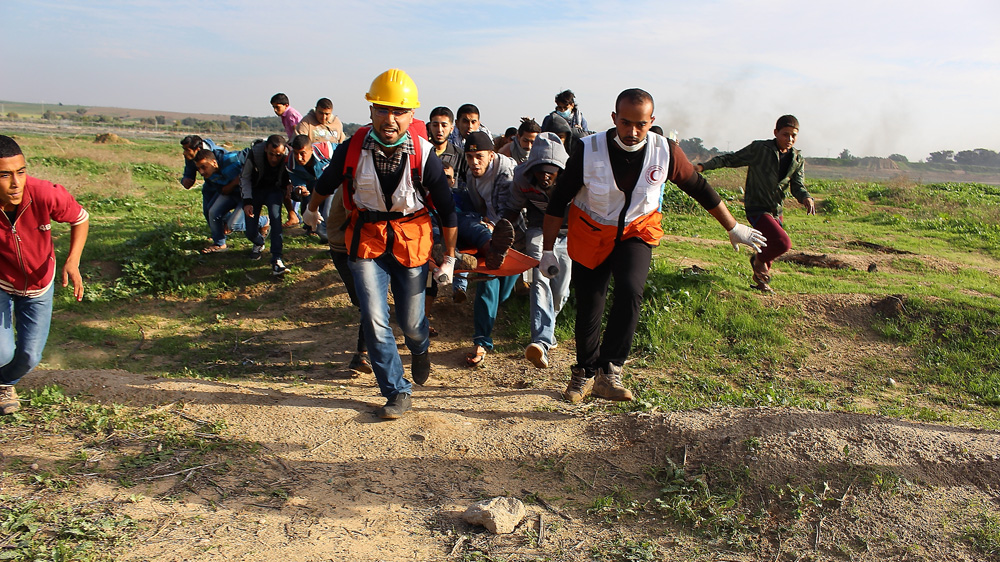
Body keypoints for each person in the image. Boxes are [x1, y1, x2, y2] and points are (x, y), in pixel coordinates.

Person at [541, 89, 766, 403]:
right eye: (625, 123)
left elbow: (698, 187)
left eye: (641, 124)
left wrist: (733, 226)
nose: (633, 132)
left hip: (636, 230)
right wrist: (548, 250)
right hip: (592, 232)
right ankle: (584, 372)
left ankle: (611, 371)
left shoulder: (666, 151)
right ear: (613, 118)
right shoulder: (588, 149)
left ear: (652, 121)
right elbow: (558, 199)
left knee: (631, 290)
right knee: (591, 303)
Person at [303, 68, 459, 420]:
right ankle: (397, 391)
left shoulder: (423, 154)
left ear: (411, 114)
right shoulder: (352, 148)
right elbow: (325, 183)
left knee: (412, 323)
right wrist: (312, 211)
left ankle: (420, 348)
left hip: (411, 243)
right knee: (374, 319)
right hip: (367, 242)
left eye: (399, 111)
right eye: (383, 109)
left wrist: (448, 258)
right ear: (371, 110)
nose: (390, 119)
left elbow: (448, 212)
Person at [0, 135, 90, 415]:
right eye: (5, 175)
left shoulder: (45, 193)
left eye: (21, 172)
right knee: (2, 353)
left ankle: (4, 381)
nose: (16, 183)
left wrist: (72, 261)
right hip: (2, 282)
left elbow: (80, 218)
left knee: (29, 356)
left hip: (40, 284)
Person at [695, 115, 814, 292]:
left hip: (776, 210)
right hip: (757, 207)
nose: (789, 139)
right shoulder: (760, 149)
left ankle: (761, 284)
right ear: (776, 133)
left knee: (767, 245)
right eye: (785, 134)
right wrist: (703, 166)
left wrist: (806, 197)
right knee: (782, 243)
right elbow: (730, 159)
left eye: (793, 136)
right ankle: (757, 260)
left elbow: (797, 185)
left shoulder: (797, 159)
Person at [503, 132, 570, 369]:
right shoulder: (522, 177)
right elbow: (512, 209)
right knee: (539, 280)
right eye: (540, 171)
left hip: (568, 234)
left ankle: (547, 331)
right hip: (538, 230)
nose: (544, 177)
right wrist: (499, 232)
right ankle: (540, 342)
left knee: (561, 291)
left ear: (560, 171)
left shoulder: (575, 179)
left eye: (550, 172)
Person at [463, 131, 517, 367]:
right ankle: (482, 341)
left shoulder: (506, 172)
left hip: (515, 235)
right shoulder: (470, 175)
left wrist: (493, 225)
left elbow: (510, 211)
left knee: (503, 293)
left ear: (492, 155)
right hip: (489, 238)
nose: (475, 162)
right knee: (487, 282)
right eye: (470, 156)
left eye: (480, 157)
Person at [194, 147, 269, 253]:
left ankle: (263, 221)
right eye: (198, 169)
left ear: (214, 163)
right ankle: (220, 243)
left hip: (246, 196)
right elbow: (223, 190)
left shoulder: (232, 161)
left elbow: (249, 177)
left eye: (203, 167)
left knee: (234, 224)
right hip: (232, 194)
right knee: (212, 212)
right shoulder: (209, 174)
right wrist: (233, 183)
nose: (201, 172)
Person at [241, 135, 292, 275]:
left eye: (278, 155)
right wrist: (247, 201)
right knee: (250, 230)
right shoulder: (254, 154)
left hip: (275, 191)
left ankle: (276, 258)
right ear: (265, 149)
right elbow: (244, 177)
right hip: (256, 190)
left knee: (276, 221)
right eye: (271, 154)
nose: (274, 159)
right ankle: (259, 241)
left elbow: (294, 175)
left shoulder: (289, 157)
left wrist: (290, 185)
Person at [286, 135, 335, 244]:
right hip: (314, 188)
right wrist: (300, 189)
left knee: (328, 213)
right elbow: (297, 183)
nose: (299, 158)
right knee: (313, 218)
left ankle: (337, 245)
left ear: (311, 150)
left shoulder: (326, 150)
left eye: (302, 153)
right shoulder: (290, 163)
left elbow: (346, 154)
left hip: (333, 184)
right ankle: (329, 241)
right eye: (295, 153)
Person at [271, 93, 303, 227]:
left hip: (297, 149)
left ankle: (295, 215)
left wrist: (290, 147)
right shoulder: (285, 115)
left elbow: (298, 134)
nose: (275, 110)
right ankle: (295, 215)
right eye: (273, 107)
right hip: (292, 148)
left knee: (294, 181)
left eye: (277, 107)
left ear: (286, 105)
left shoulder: (291, 115)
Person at [426, 107, 465, 181]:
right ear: (430, 127)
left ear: (451, 129)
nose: (439, 130)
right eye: (435, 125)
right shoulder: (421, 152)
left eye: (444, 125)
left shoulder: (460, 156)